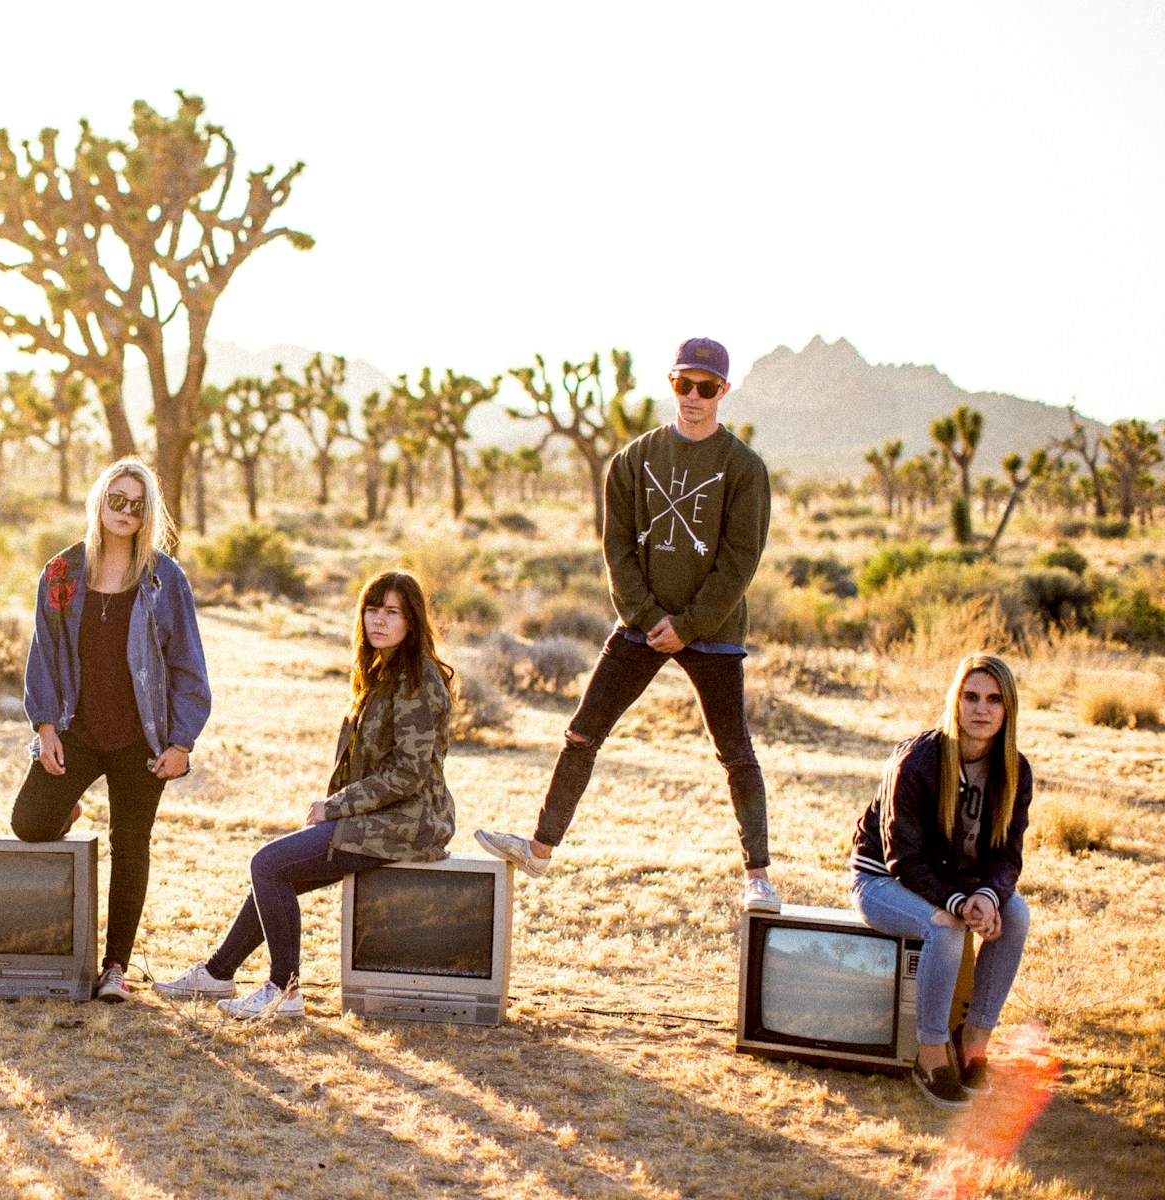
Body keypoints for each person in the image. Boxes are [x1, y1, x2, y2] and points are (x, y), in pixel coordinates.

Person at [474, 337, 781, 912]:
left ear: (723, 391)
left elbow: (740, 561)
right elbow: (617, 548)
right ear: (670, 383)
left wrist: (688, 626)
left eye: (706, 387)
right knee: (583, 731)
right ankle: (540, 848)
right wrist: (646, 617)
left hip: (711, 631)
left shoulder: (744, 468)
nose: (693, 396)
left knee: (735, 752)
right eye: (684, 383)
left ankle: (757, 876)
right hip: (641, 623)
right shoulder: (633, 460)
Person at [155, 570, 454, 1019]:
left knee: (269, 865)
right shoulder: (382, 672)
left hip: (409, 821)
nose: (380, 620)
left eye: (393, 612)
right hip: (379, 816)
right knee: (276, 869)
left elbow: (407, 775)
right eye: (373, 609)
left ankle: (284, 989)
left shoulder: (417, 679)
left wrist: (336, 807)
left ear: (411, 620)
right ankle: (219, 973)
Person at [12, 458, 211, 1002]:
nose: (124, 512)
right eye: (115, 500)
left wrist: (181, 742)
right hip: (77, 727)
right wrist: (46, 725)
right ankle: (69, 805)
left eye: (137, 504)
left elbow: (189, 666)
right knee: (30, 821)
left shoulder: (164, 579)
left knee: (131, 846)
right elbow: (44, 656)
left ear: (148, 513)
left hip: (140, 738)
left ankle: (115, 968)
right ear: (98, 502)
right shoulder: (61, 573)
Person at [851, 653, 1032, 1110]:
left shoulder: (1015, 770)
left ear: (1008, 709)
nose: (981, 709)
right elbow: (902, 859)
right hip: (882, 882)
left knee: (1017, 913)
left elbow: (1008, 854)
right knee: (944, 926)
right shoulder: (917, 761)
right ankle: (930, 1054)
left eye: (994, 699)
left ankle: (973, 1041)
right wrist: (958, 903)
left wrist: (988, 898)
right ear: (955, 701)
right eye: (970, 696)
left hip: (959, 882)